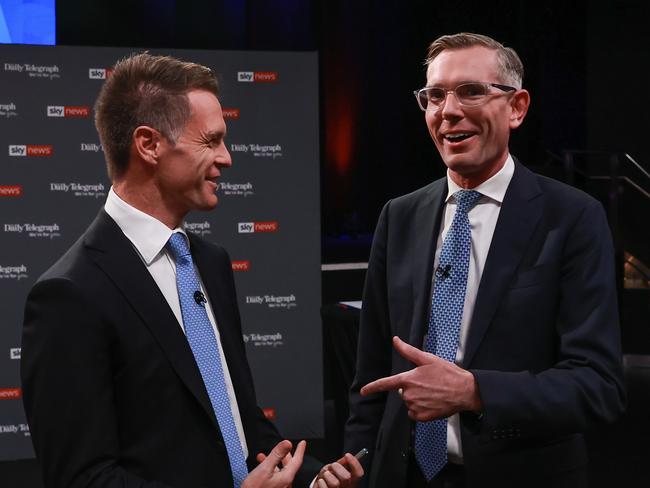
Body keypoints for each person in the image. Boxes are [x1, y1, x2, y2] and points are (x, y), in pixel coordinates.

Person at [21, 53, 362, 488]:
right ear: (149, 145)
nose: (227, 157)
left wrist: (310, 479)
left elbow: (237, 420)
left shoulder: (210, 262)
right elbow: (83, 479)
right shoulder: (68, 296)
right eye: (211, 140)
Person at [344, 32, 625, 488]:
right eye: (434, 96)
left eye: (471, 91)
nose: (448, 110)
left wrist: (474, 392)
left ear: (516, 107)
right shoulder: (400, 216)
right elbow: (371, 378)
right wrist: (353, 464)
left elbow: (598, 387)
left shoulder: (572, 217)